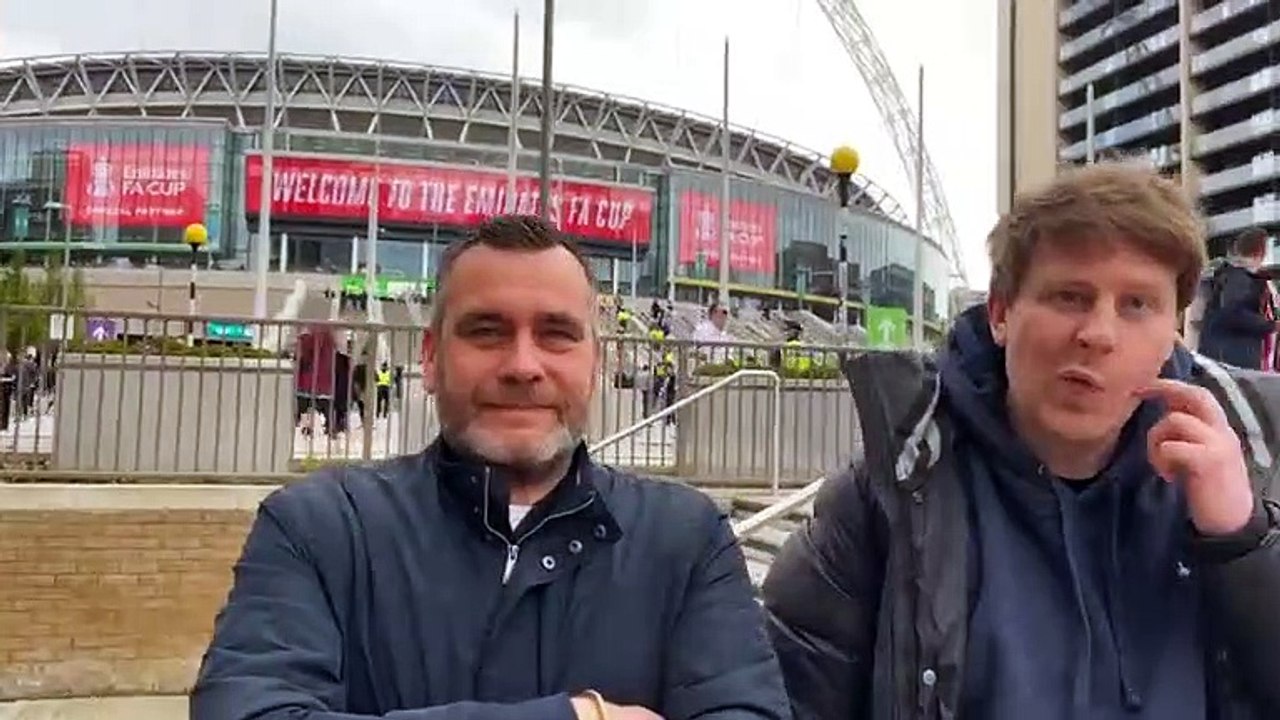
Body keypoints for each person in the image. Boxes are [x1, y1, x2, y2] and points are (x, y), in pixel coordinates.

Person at [191, 215, 790, 720]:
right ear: (429, 358)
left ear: (596, 364)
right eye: (486, 331)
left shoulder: (685, 540)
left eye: (556, 334)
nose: (523, 365)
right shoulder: (319, 528)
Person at [763, 161, 1280, 719]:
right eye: (1070, 297)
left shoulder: (1250, 461)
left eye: (1137, 305)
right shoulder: (892, 492)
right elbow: (783, 697)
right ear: (1001, 313)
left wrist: (1243, 543)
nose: (1098, 335)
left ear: (1173, 330)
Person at [1195, 227, 1279, 370]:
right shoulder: (1239, 278)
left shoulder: (1226, 274)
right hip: (1232, 358)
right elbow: (1233, 312)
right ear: (1260, 252)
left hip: (1222, 354)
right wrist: (1271, 325)